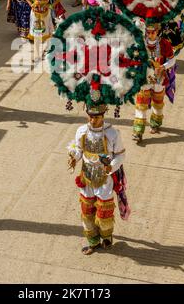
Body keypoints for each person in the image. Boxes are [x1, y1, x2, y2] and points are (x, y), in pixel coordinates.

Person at [67, 103, 127, 254]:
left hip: (105, 179)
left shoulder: (113, 133)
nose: (93, 120)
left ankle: (106, 237)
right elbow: (80, 150)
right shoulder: (81, 131)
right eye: (91, 117)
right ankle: (93, 242)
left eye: (97, 117)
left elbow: (120, 154)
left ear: (103, 115)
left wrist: (111, 167)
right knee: (87, 211)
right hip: (86, 177)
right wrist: (74, 157)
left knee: (104, 211)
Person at [132, 22, 175, 142]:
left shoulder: (164, 44)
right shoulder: (139, 43)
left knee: (158, 101)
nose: (150, 35)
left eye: (153, 32)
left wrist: (163, 67)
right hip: (144, 77)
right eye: (148, 32)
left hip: (159, 78)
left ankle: (155, 123)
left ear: (158, 31)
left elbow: (172, 60)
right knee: (141, 103)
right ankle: (138, 131)